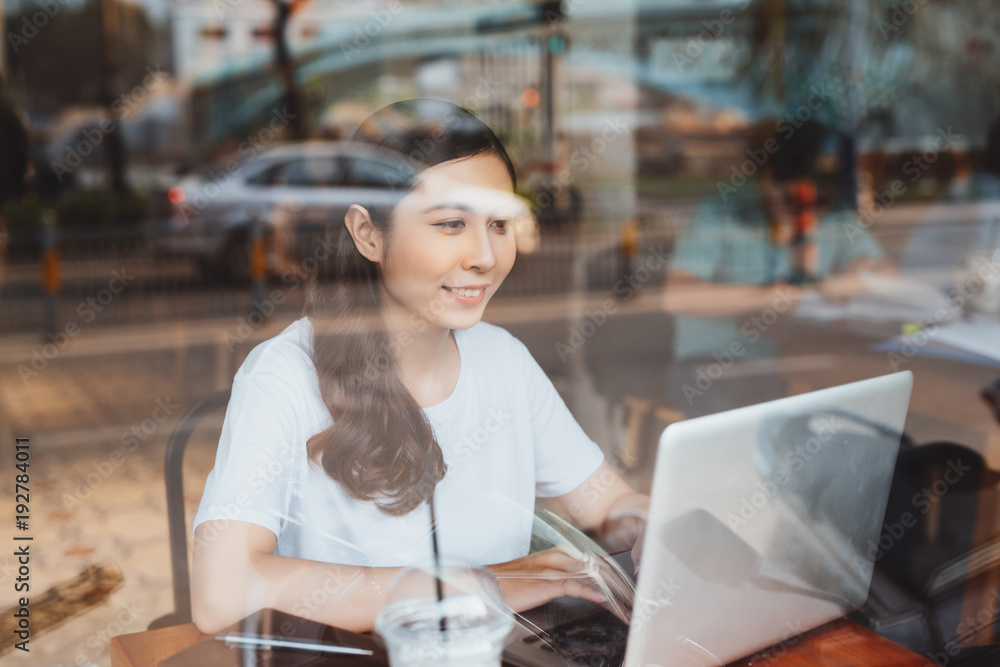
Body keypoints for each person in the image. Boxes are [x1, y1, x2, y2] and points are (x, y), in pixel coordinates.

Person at [191, 99, 649, 634]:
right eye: (452, 223)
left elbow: (608, 504)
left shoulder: (502, 359)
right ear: (368, 234)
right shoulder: (285, 376)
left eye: (500, 223)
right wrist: (482, 583)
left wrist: (652, 526)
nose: (485, 255)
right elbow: (221, 594)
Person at [664, 119, 890, 417]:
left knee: (866, 398)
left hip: (797, 358)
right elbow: (677, 296)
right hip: (716, 362)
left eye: (816, 203)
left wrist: (854, 275)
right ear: (769, 179)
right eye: (794, 200)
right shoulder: (721, 210)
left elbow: (886, 271)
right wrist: (768, 296)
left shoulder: (832, 213)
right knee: (747, 415)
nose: (807, 213)